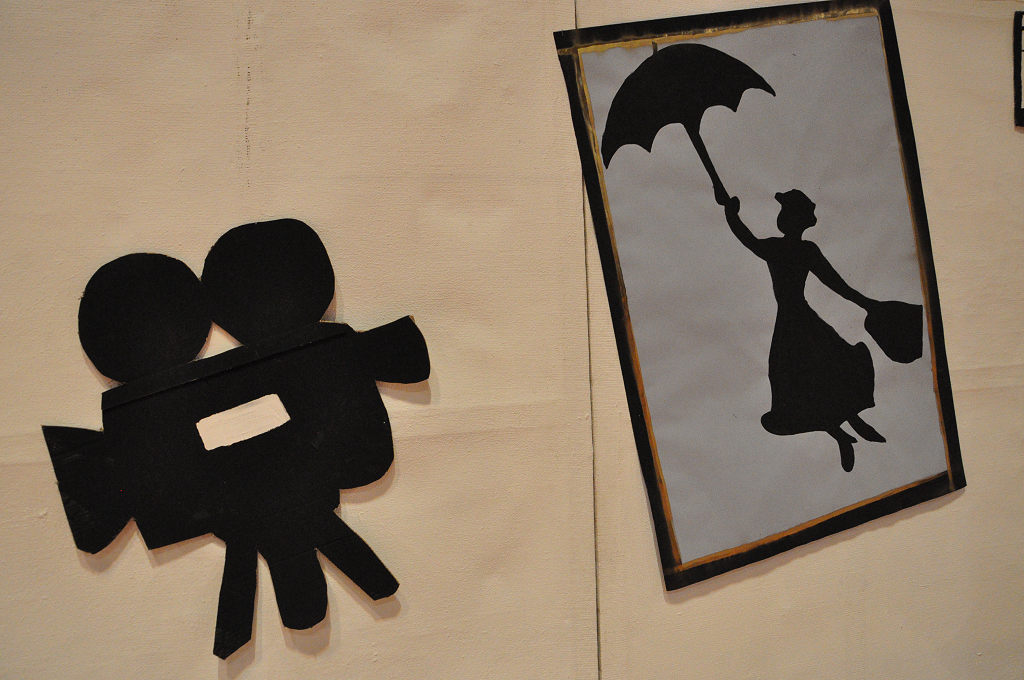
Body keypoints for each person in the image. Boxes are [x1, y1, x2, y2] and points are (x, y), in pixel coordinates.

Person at [723, 189, 885, 472]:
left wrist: (731, 215)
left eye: (785, 212)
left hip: (794, 320)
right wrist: (731, 215)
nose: (781, 217)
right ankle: (841, 430)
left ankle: (847, 423)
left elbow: (836, 283)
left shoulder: (788, 249)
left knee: (803, 374)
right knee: (807, 373)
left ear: (790, 218)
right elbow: (838, 285)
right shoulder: (800, 249)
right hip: (799, 319)